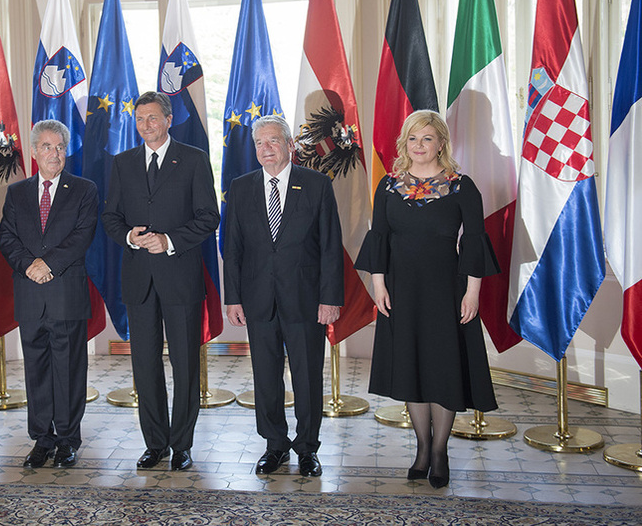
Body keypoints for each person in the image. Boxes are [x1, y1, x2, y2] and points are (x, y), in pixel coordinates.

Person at [355, 109, 499, 489]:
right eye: (413, 138)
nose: (420, 146)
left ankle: (439, 452)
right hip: (401, 290)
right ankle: (421, 449)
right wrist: (379, 285)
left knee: (443, 368)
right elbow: (380, 238)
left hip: (446, 290)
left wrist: (472, 292)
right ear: (406, 143)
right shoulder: (388, 185)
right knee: (411, 368)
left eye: (428, 138)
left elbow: (473, 242)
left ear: (441, 143)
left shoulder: (461, 186)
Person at [102, 91, 220, 472]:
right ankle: (155, 443)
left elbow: (208, 217)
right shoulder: (122, 163)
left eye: (153, 118)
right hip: (139, 279)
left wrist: (168, 240)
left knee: (185, 364)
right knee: (145, 364)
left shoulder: (193, 159)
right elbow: (110, 217)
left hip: (180, 276)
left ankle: (182, 444)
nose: (146, 125)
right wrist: (129, 237)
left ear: (168, 120)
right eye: (140, 119)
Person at [223, 115, 343, 477]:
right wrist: (233, 298)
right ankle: (274, 445)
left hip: (306, 300)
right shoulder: (241, 188)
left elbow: (330, 248)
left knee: (307, 376)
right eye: (260, 143)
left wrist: (330, 298)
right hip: (258, 299)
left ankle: (307, 448)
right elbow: (233, 249)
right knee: (265, 376)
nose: (266, 148)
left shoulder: (317, 185)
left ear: (290, 145)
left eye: (274, 141)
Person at [0, 120, 98, 469]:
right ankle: (42, 438)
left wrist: (48, 265)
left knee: (68, 369)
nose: (53, 153)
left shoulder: (84, 190)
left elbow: (82, 236)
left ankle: (68, 439)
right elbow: (6, 236)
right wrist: (29, 266)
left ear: (65, 151)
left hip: (65, 293)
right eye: (46, 147)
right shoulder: (17, 192)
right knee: (36, 370)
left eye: (59, 147)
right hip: (29, 294)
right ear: (35, 151)